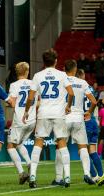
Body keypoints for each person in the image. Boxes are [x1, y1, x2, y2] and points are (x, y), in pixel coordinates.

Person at [22, 49, 74, 188]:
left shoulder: (38, 76)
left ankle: (32, 175)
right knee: (62, 142)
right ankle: (67, 177)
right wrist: (68, 106)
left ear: (43, 62)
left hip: (43, 113)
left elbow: (31, 97)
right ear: (56, 61)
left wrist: (26, 111)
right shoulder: (62, 75)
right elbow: (71, 93)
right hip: (58, 114)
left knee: (38, 142)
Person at [62, 60, 97, 185]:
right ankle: (87, 173)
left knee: (61, 146)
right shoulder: (82, 82)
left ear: (64, 68)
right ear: (75, 69)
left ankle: (65, 177)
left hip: (64, 117)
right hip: (78, 118)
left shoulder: (62, 80)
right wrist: (89, 112)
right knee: (82, 147)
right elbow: (94, 101)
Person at [7, 62, 37, 184]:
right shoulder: (33, 84)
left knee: (10, 146)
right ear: (27, 72)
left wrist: (12, 104)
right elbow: (38, 101)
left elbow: (12, 102)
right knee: (19, 144)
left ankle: (21, 172)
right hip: (32, 120)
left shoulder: (14, 85)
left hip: (20, 120)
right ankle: (29, 163)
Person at [76, 69, 103, 182]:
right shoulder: (90, 88)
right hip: (93, 121)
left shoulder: (76, 88)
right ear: (83, 75)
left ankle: (93, 175)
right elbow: (94, 102)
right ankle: (101, 175)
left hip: (83, 122)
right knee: (92, 150)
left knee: (82, 151)